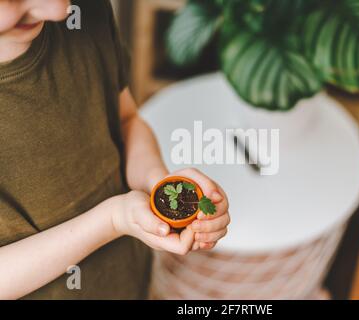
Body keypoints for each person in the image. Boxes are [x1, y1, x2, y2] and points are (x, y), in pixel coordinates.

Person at [0, 0, 230, 299]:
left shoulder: (85, 11)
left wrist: (159, 187)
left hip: (127, 275)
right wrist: (111, 220)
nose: (58, 10)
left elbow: (126, 120)